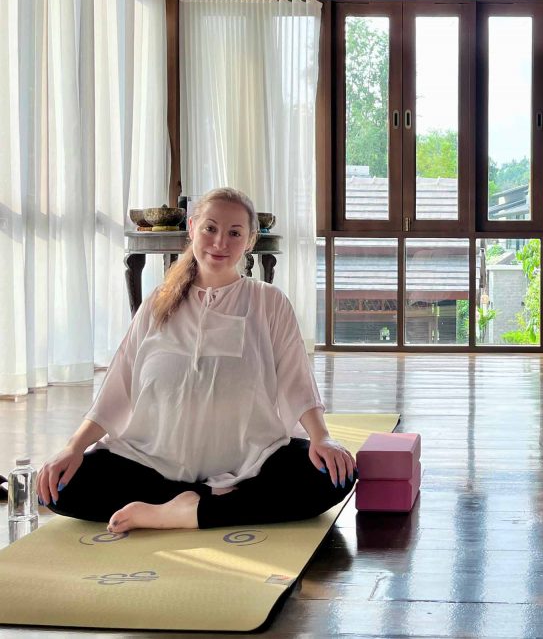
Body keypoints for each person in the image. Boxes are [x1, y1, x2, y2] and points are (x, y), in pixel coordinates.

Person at [37, 187, 357, 533]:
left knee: (334, 478)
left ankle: (180, 513)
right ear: (192, 229)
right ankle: (212, 503)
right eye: (210, 228)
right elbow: (119, 386)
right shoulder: (158, 302)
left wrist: (321, 437)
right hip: (154, 461)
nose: (220, 242)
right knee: (59, 488)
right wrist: (72, 448)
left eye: (235, 233)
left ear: (249, 241)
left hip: (251, 461)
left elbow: (296, 380)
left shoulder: (269, 302)